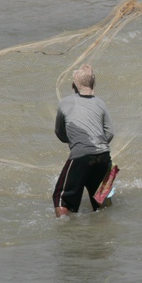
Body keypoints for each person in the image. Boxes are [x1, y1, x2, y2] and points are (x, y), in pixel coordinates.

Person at [52, 63, 115, 217]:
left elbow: (59, 132)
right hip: (104, 155)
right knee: (100, 199)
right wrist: (97, 144)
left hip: (81, 156)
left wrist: (74, 143)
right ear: (92, 85)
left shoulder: (65, 102)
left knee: (61, 199)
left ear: (74, 84)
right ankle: (103, 230)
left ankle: (67, 232)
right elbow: (110, 132)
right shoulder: (100, 102)